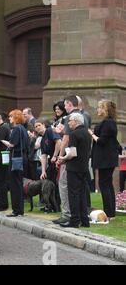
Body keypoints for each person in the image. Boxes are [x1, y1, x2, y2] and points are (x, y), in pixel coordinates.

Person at [55, 95, 90, 225]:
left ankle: (74, 220)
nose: (68, 124)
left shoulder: (74, 134)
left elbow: (73, 153)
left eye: (70, 122)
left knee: (73, 194)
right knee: (81, 193)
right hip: (84, 167)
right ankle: (85, 221)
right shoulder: (86, 133)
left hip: (74, 167)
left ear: (75, 121)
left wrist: (62, 157)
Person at [89, 100, 119, 220]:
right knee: (107, 185)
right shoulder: (109, 122)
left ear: (105, 109)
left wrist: (91, 133)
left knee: (105, 185)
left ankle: (109, 213)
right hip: (107, 158)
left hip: (106, 159)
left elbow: (102, 141)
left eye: (100, 107)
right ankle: (111, 212)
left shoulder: (108, 123)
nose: (97, 110)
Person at [2, 110, 29, 217]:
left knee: (15, 185)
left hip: (16, 159)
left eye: (11, 116)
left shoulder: (17, 129)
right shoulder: (23, 128)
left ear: (16, 117)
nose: (9, 118)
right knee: (18, 184)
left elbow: (12, 144)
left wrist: (2, 141)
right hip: (22, 158)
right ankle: (19, 210)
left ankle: (16, 210)